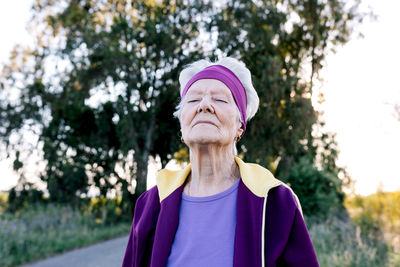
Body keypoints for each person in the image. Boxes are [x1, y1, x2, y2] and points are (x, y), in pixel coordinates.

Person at [122, 57, 319, 267]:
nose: (204, 105)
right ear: (182, 123)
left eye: (220, 99)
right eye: (193, 99)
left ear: (239, 126)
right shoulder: (151, 203)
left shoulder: (276, 201)